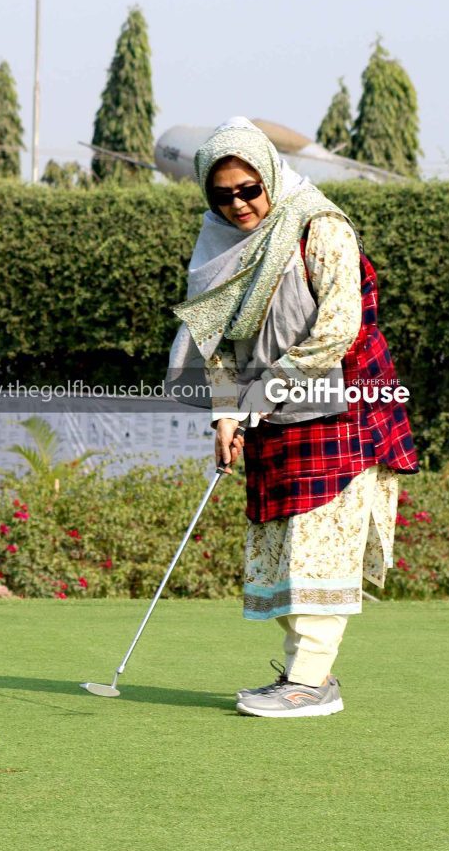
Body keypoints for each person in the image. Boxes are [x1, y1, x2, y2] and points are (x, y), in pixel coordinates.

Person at [168, 117, 419, 718]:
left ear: (269, 177)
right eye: (222, 194)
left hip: (342, 406)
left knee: (317, 548)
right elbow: (219, 341)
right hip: (273, 412)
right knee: (280, 545)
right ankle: (305, 676)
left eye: (249, 189)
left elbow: (338, 326)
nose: (238, 205)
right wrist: (226, 416)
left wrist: (270, 388)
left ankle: (309, 683)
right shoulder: (220, 245)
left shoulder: (321, 227)